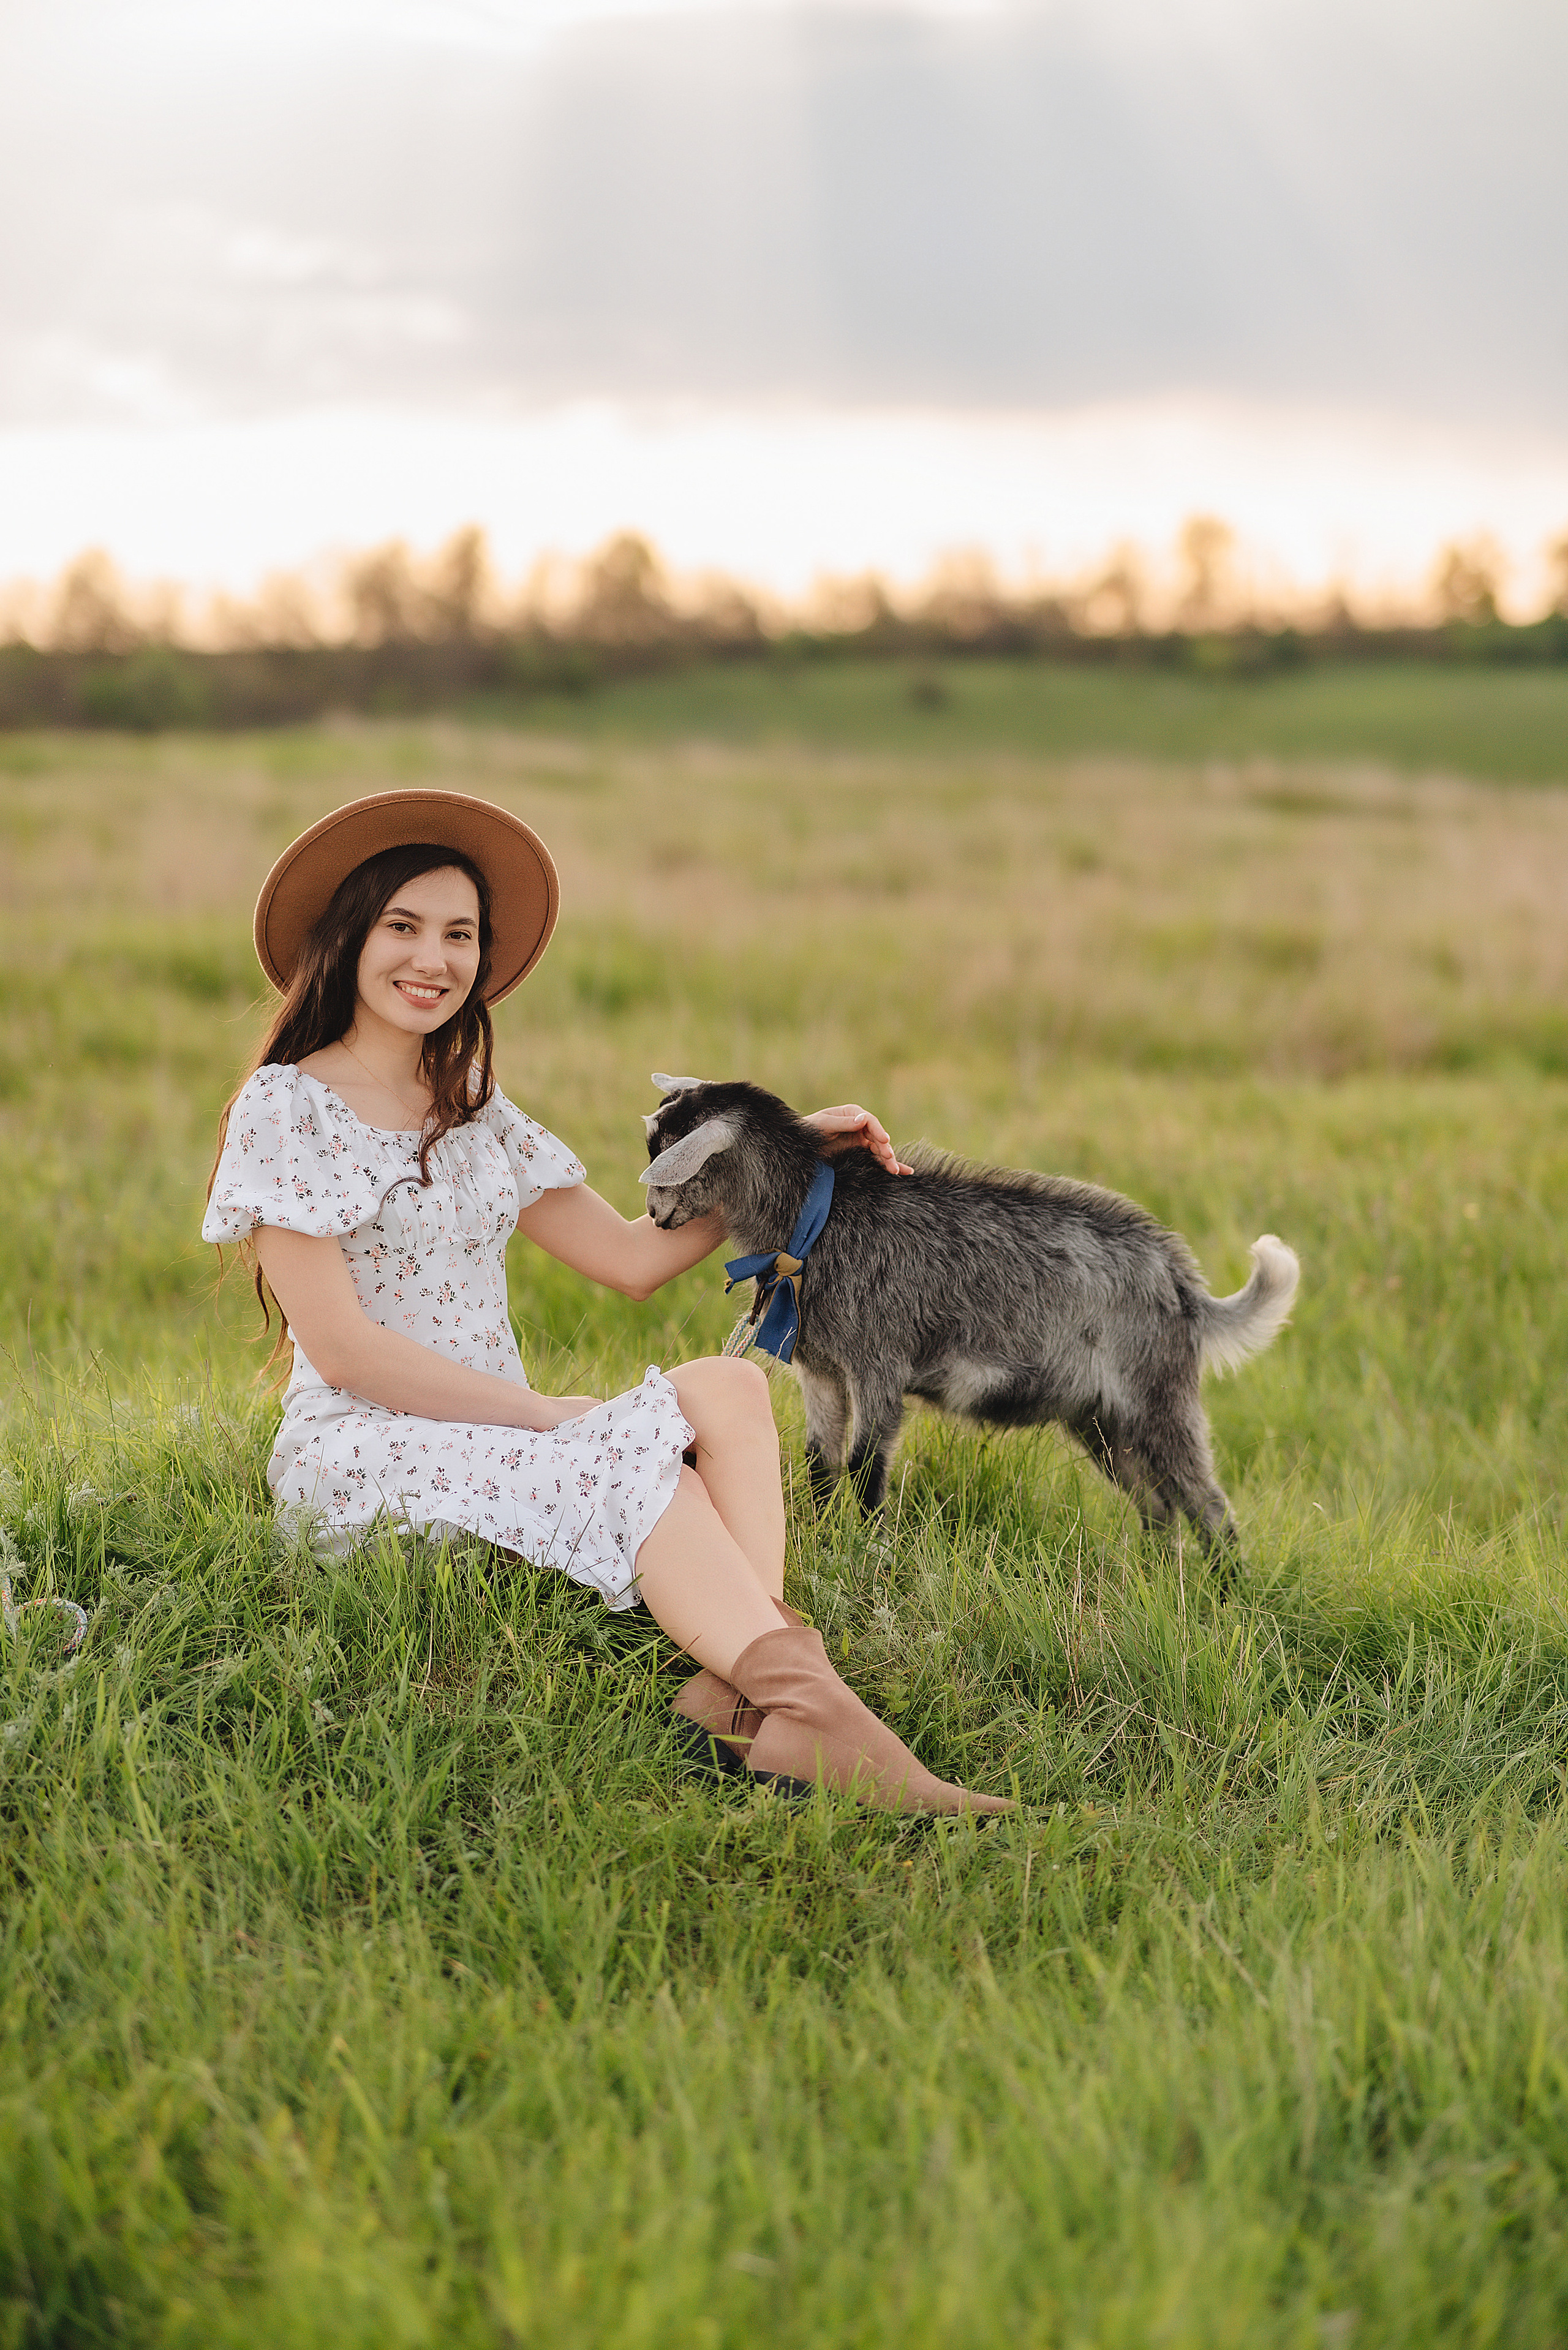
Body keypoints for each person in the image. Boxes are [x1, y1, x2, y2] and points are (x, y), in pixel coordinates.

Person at [205, 788, 1009, 1816]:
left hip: (496, 1432)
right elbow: (347, 1350)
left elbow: (631, 1258)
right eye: (402, 927)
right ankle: (856, 1746)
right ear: (348, 938)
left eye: (460, 934)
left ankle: (739, 1702)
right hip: (364, 1447)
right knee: (623, 1453)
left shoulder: (471, 1102)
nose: (434, 959)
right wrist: (548, 1417)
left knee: (728, 1388)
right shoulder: (288, 1106)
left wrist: (787, 1150)